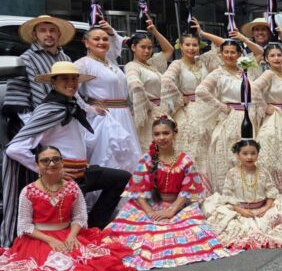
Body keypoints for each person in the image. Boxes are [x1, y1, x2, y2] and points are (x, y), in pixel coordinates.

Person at [2, 63, 131, 246]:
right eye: (64, 79)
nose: (71, 83)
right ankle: (83, 233)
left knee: (122, 178)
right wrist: (47, 170)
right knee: (68, 218)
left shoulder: (73, 105)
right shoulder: (49, 110)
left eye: (74, 78)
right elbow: (14, 148)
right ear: (53, 83)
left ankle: (94, 227)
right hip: (62, 179)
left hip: (82, 172)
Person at [0, 145, 134, 271]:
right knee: (44, 270)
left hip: (68, 233)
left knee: (95, 259)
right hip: (39, 239)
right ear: (37, 166)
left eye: (56, 159)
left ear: (62, 162)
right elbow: (24, 225)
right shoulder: (28, 191)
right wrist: (51, 240)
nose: (51, 164)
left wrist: (72, 236)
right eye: (45, 161)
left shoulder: (72, 187)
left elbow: (79, 216)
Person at [102, 117, 229, 270]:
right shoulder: (147, 159)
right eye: (157, 134)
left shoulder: (185, 160)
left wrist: (171, 211)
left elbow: (187, 191)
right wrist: (150, 213)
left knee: (189, 233)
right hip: (150, 206)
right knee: (138, 232)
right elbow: (138, 190)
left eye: (165, 133)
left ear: (174, 133)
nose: (161, 138)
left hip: (177, 206)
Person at [75, 22, 142, 173]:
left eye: (105, 39)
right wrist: (88, 108)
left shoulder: (110, 61)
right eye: (96, 39)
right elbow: (70, 89)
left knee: (130, 156)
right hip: (105, 117)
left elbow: (117, 44)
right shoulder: (83, 64)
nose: (101, 42)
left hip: (124, 114)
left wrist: (111, 31)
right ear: (86, 43)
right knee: (110, 158)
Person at [195, 39, 257, 193]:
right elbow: (201, 91)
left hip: (249, 116)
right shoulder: (218, 73)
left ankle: (250, 191)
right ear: (221, 54)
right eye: (226, 52)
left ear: (239, 54)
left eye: (233, 52)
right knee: (230, 154)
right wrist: (223, 107)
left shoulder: (245, 71)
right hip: (231, 118)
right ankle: (229, 191)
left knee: (250, 153)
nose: (229, 55)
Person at [202, 139, 282, 249]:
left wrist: (265, 207)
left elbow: (271, 192)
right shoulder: (232, 173)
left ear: (258, 154)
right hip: (240, 210)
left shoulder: (263, 172)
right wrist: (240, 210)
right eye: (245, 153)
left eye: (253, 153)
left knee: (278, 219)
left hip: (262, 209)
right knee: (231, 227)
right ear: (238, 155)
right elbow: (227, 196)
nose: (249, 157)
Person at [2, 15, 80, 138]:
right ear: (35, 35)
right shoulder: (26, 59)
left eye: (52, 30)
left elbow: (73, 90)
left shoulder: (65, 58)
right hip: (38, 121)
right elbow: (18, 100)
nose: (48, 34)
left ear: (59, 34)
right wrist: (33, 128)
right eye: (42, 30)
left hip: (65, 118)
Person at [161, 24, 221, 171]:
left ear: (199, 47)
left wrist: (202, 33)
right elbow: (166, 80)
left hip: (208, 108)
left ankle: (209, 177)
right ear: (181, 46)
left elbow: (222, 44)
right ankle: (191, 176)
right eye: (187, 45)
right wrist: (180, 99)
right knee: (193, 139)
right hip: (189, 109)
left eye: (195, 45)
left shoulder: (203, 60)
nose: (191, 48)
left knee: (212, 141)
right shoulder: (177, 64)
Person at [252, 44, 282, 193]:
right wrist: (265, 107)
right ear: (266, 59)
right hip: (276, 117)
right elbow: (253, 89)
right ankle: (273, 189)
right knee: (273, 151)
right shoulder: (269, 74)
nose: (276, 58)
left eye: (279, 55)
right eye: (272, 55)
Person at [124, 19, 174, 150]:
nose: (147, 51)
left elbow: (169, 50)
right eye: (143, 47)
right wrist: (149, 107)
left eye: (149, 47)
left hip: (161, 111)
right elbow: (135, 86)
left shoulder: (152, 63)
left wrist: (155, 32)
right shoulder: (132, 66)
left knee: (165, 149)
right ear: (133, 48)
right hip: (146, 114)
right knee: (150, 149)